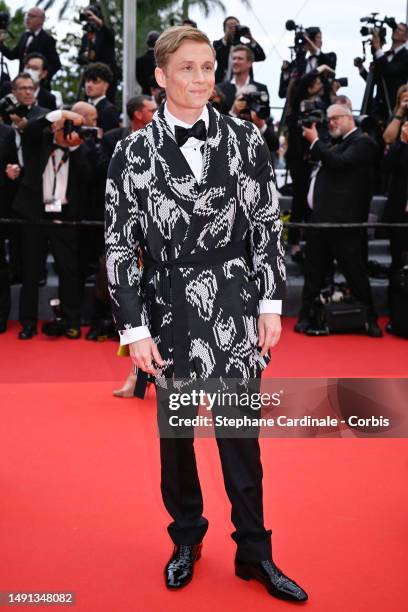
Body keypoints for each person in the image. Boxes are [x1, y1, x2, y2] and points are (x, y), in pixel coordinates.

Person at [105, 25, 307, 602]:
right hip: (167, 306)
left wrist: (271, 303)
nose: (201, 79)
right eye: (188, 68)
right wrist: (134, 327)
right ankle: (187, 539)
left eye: (207, 66)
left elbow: (268, 227)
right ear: (162, 77)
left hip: (236, 301)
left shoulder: (247, 139)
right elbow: (121, 245)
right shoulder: (132, 151)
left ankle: (255, 552)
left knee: (240, 436)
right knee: (176, 438)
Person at [10, 105, 97, 340]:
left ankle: (72, 321)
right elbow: (32, 127)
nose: (64, 130)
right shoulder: (38, 142)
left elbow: (89, 177)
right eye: (61, 125)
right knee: (30, 270)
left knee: (69, 271)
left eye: (69, 126)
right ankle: (27, 323)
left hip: (65, 218)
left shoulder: (82, 149)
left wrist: (76, 145)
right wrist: (61, 115)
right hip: (34, 216)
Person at [296, 104, 382, 337]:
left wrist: (316, 142)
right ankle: (305, 316)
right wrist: (312, 141)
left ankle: (370, 318)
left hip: (345, 223)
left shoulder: (363, 143)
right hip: (321, 220)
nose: (331, 122)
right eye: (329, 118)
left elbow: (339, 162)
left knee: (355, 272)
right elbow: (317, 160)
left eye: (335, 118)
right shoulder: (335, 144)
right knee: (313, 273)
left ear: (348, 117)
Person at [356, 22, 408, 121]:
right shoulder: (384, 55)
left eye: (400, 29)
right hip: (377, 108)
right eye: (395, 28)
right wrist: (361, 68)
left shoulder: (405, 56)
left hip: (393, 108)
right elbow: (374, 80)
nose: (396, 30)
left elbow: (391, 72)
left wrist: (378, 49)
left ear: (406, 37)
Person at [0, 7, 61, 86]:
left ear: (41, 20)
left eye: (32, 16)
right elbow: (13, 55)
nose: (27, 19)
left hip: (38, 86)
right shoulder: (25, 36)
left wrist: (43, 78)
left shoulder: (47, 39)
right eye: (27, 15)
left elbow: (56, 64)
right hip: (22, 83)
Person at [78, 4, 120, 102]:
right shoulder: (86, 36)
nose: (89, 18)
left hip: (106, 74)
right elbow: (79, 58)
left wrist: (97, 21)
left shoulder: (105, 33)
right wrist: (85, 55)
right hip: (91, 75)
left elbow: (110, 35)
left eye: (90, 16)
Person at [218, 45, 269, 114]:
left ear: (249, 63)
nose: (235, 62)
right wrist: (233, 112)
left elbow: (265, 117)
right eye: (234, 58)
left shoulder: (261, 89)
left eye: (240, 59)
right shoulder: (220, 89)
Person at [213, 16, 266, 83]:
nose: (233, 28)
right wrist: (226, 37)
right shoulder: (219, 45)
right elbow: (213, 53)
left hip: (243, 87)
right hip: (221, 84)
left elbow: (261, 56)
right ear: (224, 29)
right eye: (229, 26)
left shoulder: (246, 48)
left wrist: (251, 38)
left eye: (235, 26)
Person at [84, 62, 120, 133]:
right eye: (87, 81)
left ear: (106, 86)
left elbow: (110, 140)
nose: (89, 85)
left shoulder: (109, 110)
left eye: (95, 82)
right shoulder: (82, 106)